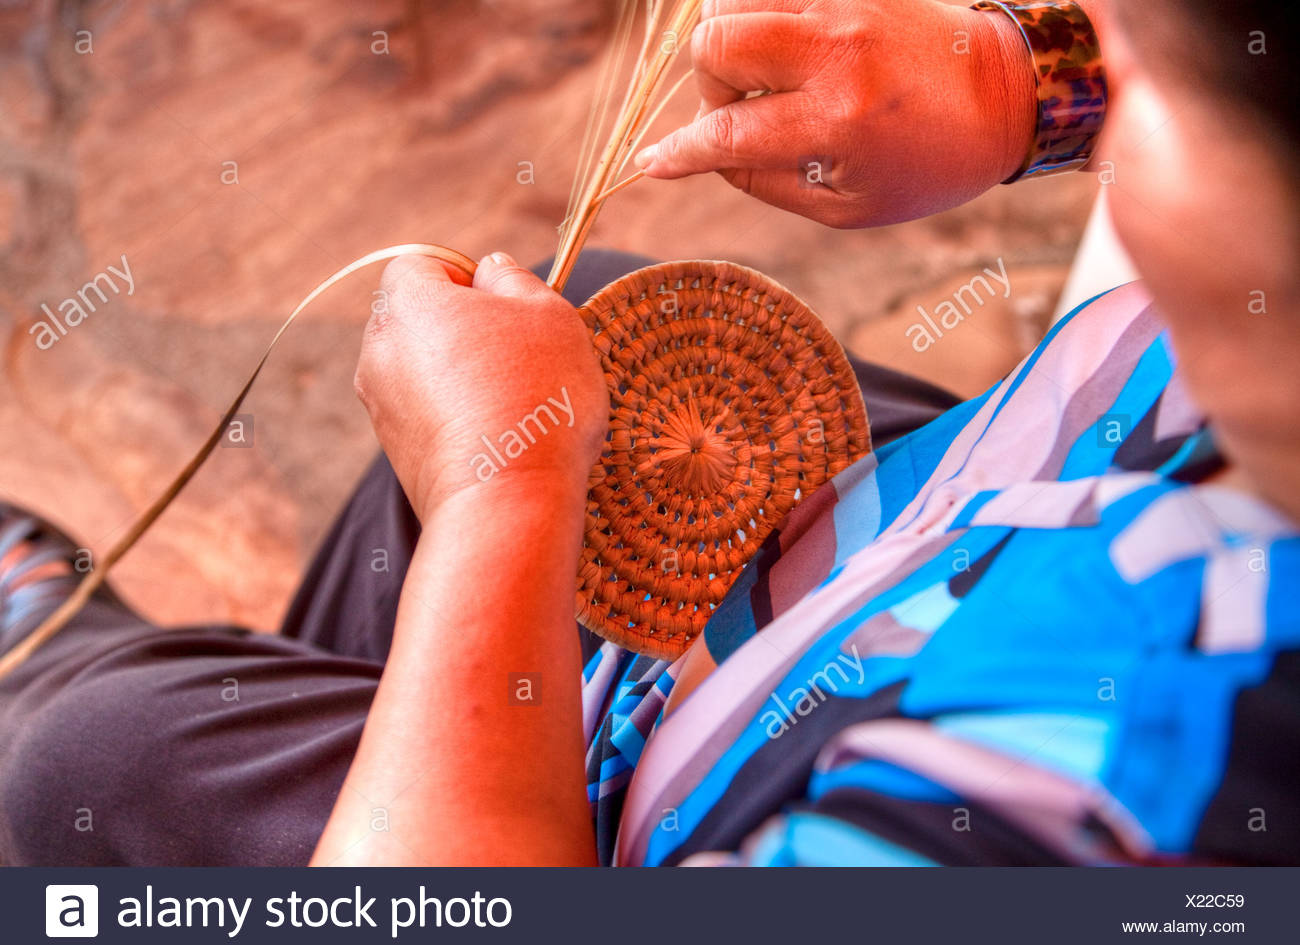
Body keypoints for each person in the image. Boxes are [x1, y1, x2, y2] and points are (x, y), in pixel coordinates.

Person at [0, 0, 1295, 866]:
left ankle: (47, 666)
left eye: (1149, 91)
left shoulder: (1131, 797)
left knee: (100, 751)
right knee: (587, 328)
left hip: (686, 810)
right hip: (926, 554)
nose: (1111, 89)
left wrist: (500, 495)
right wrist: (1031, 83)